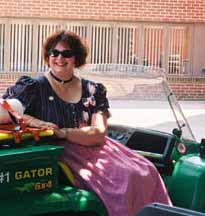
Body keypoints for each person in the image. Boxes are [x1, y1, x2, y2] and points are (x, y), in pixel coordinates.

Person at [2, 30, 172, 216]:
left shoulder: (93, 90)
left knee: (145, 171)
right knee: (121, 182)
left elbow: (99, 132)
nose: (60, 58)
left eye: (66, 53)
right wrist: (35, 121)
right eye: (54, 53)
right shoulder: (32, 87)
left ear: (76, 58)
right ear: (48, 56)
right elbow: (6, 113)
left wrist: (64, 132)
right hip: (60, 152)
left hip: (95, 146)